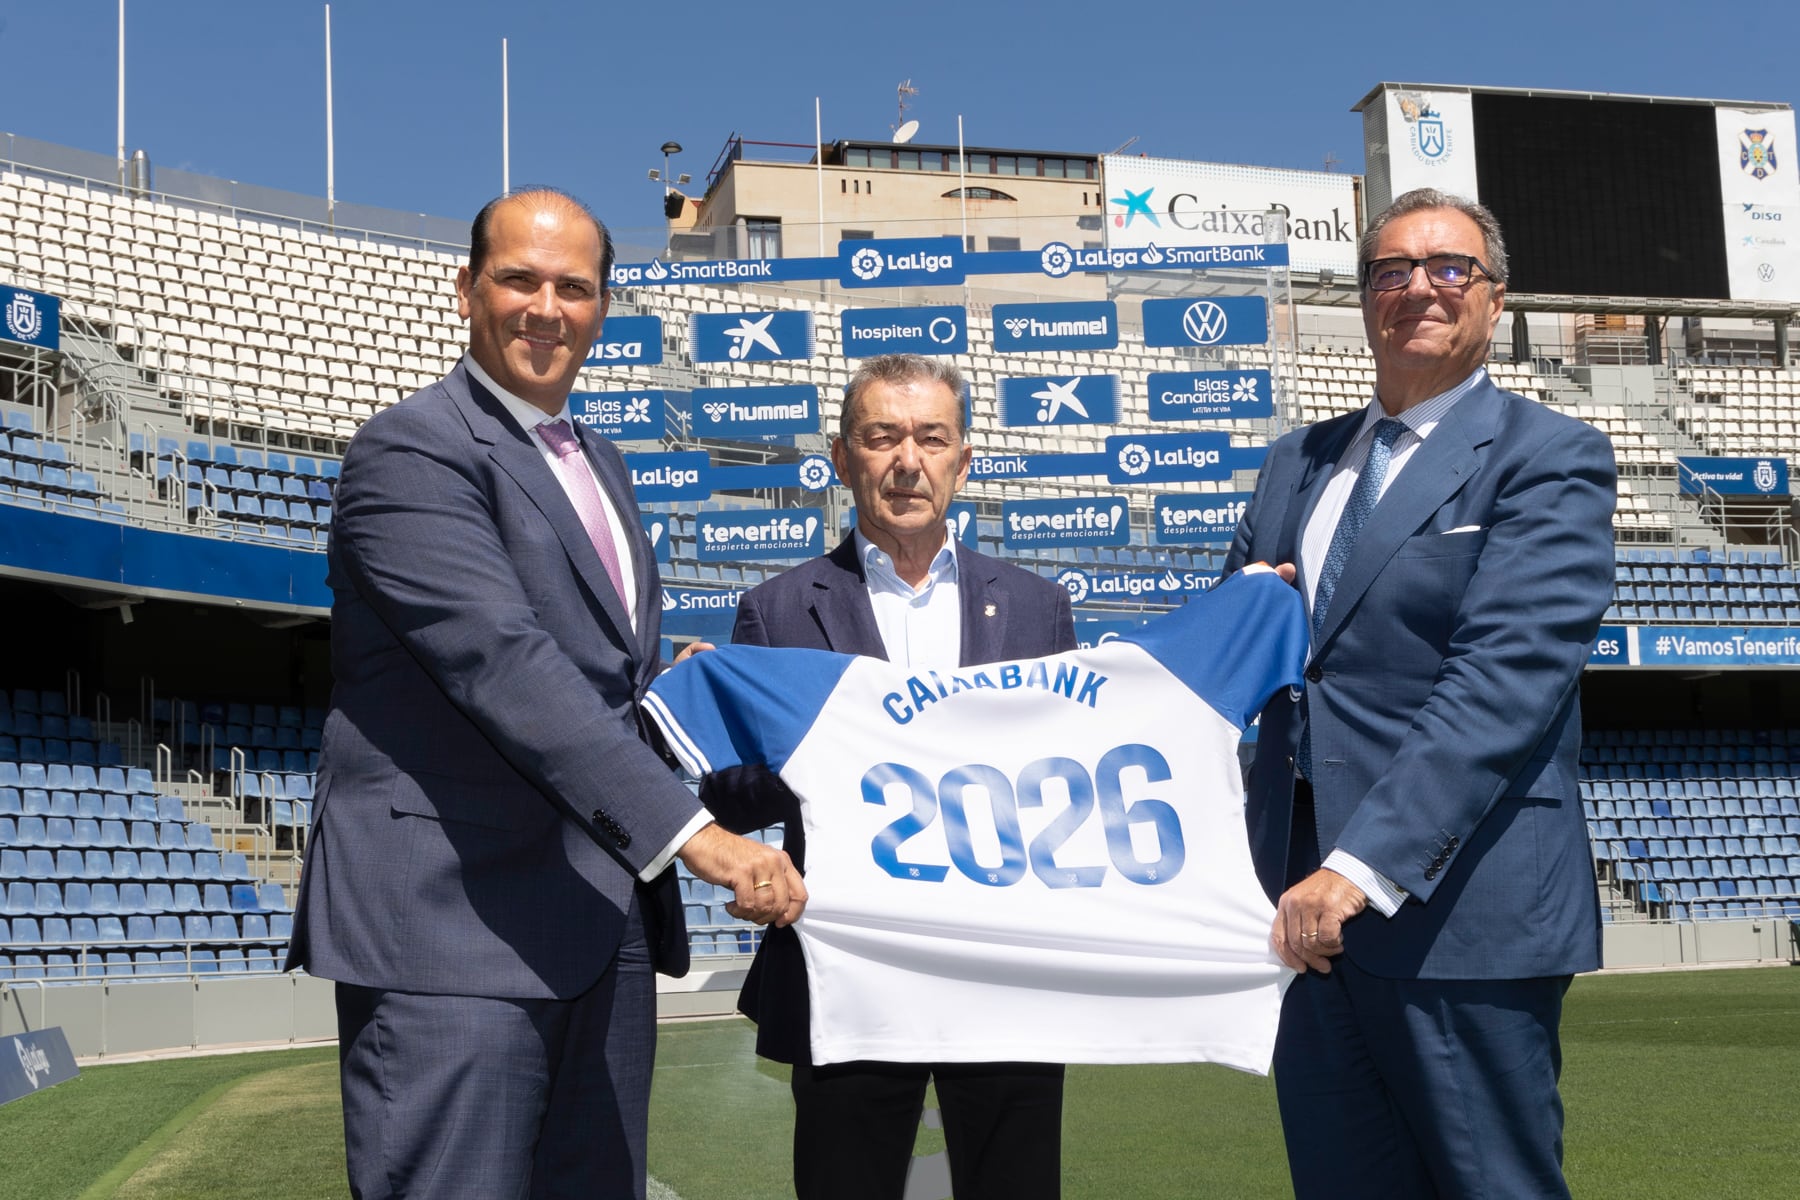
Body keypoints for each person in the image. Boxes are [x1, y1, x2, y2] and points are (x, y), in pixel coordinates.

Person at [286, 187, 805, 1200]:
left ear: (603, 308)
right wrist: (695, 835)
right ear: (467, 290)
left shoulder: (603, 465)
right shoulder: (413, 448)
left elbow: (614, 694)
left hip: (598, 926)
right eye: (518, 279)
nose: (545, 307)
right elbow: (500, 661)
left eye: (574, 287)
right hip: (454, 936)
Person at [1222, 188, 1616, 1198]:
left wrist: (1356, 870)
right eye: (1391, 270)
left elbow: (1502, 685)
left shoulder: (1548, 459)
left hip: (1458, 918)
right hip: (1299, 919)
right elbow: (1232, 675)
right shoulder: (1292, 467)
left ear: (1496, 300)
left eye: (1451, 269)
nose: (1419, 290)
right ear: (1364, 299)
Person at [701, 353, 1075, 1200]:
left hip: (1003, 971)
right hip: (848, 968)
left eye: (931, 437)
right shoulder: (779, 607)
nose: (908, 459)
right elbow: (734, 793)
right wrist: (763, 731)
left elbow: (1062, 778)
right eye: (882, 437)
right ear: (843, 458)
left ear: (962, 459)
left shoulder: (1035, 605)